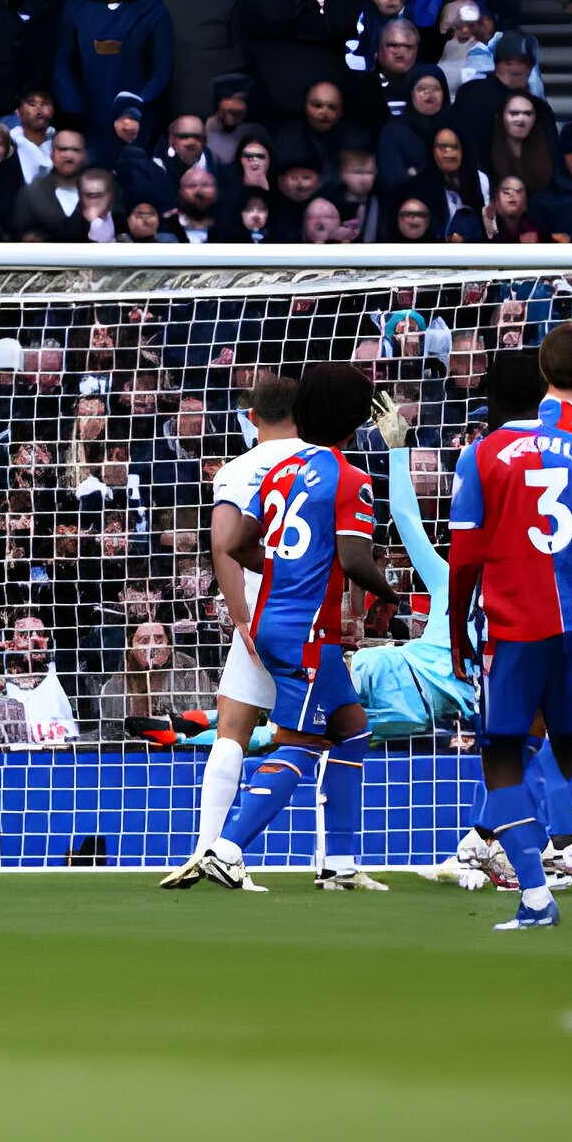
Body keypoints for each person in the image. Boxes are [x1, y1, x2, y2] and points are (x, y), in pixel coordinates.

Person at [446, 356, 572, 930]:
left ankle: (536, 897)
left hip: (513, 627)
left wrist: (459, 626)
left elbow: (464, 558)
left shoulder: (480, 455)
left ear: (488, 404)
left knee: (504, 755)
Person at [196, 364, 400, 893]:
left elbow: (239, 544)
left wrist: (287, 570)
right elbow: (355, 561)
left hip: (275, 621)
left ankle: (339, 863)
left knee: (352, 729)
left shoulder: (279, 474)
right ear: (356, 425)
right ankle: (227, 847)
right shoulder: (352, 478)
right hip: (310, 630)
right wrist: (396, 597)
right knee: (301, 739)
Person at [161, 375, 297, 890]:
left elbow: (224, 544)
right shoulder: (322, 461)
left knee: (233, 728)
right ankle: (337, 863)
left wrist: (242, 618)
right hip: (310, 609)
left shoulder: (237, 469)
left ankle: (205, 848)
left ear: (252, 416)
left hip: (260, 610)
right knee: (327, 735)